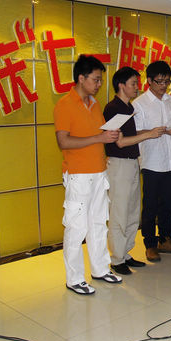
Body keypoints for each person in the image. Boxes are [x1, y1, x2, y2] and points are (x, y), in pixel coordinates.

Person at [54, 55, 123, 295]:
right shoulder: (65, 104)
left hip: (98, 172)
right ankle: (74, 279)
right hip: (78, 175)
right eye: (95, 79)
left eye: (100, 80)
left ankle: (100, 269)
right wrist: (99, 138)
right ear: (81, 78)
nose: (99, 84)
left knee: (98, 223)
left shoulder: (94, 104)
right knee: (76, 228)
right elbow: (63, 141)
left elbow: (99, 136)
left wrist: (108, 137)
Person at [103, 67, 166, 275]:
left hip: (132, 163)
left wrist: (150, 132)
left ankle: (126, 253)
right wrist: (148, 135)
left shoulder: (128, 107)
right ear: (121, 85)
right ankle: (116, 258)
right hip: (119, 164)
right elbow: (120, 142)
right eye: (133, 84)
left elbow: (130, 134)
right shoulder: (113, 108)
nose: (137, 87)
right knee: (119, 213)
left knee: (131, 212)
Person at [133, 61, 171, 263]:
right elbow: (134, 132)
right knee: (150, 205)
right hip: (151, 161)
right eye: (159, 81)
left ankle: (167, 239)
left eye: (167, 81)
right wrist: (154, 131)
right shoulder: (139, 103)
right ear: (149, 80)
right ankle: (150, 244)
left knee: (168, 203)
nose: (163, 85)